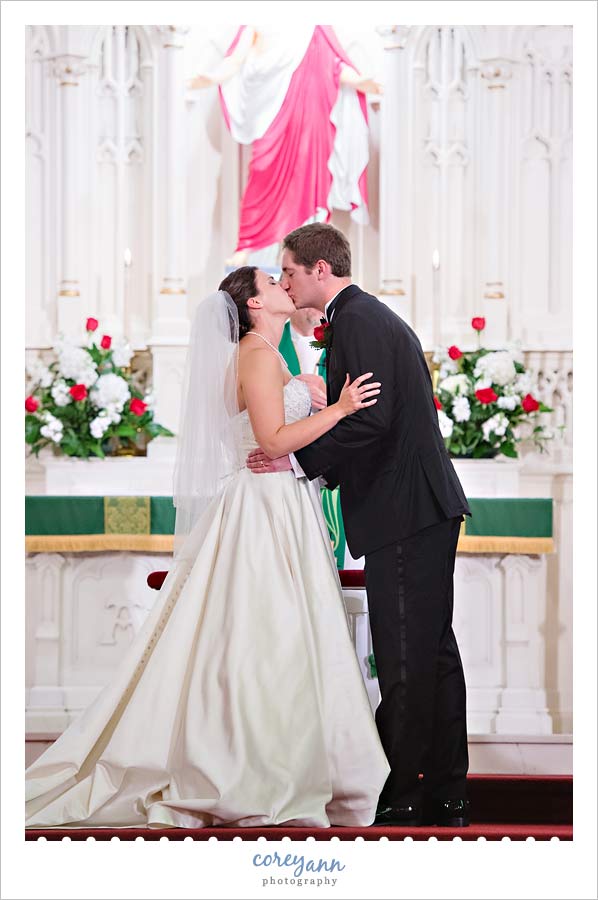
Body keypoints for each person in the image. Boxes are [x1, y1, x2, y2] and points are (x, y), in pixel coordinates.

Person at [25, 266, 390, 829]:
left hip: (278, 500)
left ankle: (288, 756)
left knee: (278, 635)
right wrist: (338, 411)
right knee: (265, 637)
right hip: (264, 506)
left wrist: (313, 397)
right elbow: (270, 440)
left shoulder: (265, 354)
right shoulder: (257, 355)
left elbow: (269, 426)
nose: (284, 288)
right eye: (273, 283)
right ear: (252, 305)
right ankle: (254, 763)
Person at [247, 223, 472, 828]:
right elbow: (369, 417)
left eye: (289, 271)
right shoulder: (362, 319)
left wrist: (297, 460)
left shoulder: (357, 321)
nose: (286, 283)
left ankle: (400, 793)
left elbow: (371, 421)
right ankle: (446, 792)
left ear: (321, 270)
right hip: (417, 508)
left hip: (405, 510)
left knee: (403, 656)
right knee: (433, 655)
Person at [188, 26, 382, 266]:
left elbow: (332, 65)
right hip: (269, 117)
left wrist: (360, 81)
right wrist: (212, 77)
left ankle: (303, 250)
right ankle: (250, 244)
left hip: (307, 120)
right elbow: (235, 60)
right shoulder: (256, 22)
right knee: (260, 171)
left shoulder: (312, 27)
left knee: (306, 175)